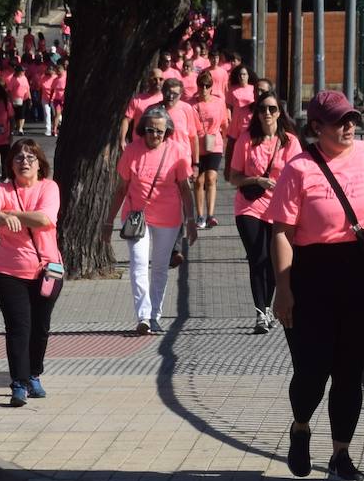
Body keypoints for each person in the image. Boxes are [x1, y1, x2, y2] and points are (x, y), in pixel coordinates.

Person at [267, 91, 364, 481]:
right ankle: (300, 427)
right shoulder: (299, 169)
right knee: (313, 370)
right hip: (314, 275)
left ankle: (341, 455)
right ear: (317, 127)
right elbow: (281, 232)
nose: (348, 127)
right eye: (339, 121)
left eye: (352, 120)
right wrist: (283, 287)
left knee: (348, 371)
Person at [0, 138, 63, 406]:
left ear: (39, 164)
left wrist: (11, 213)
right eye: (18, 158)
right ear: (10, 165)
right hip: (8, 272)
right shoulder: (3, 190)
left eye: (30, 158)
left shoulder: (49, 187)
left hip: (47, 270)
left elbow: (44, 218)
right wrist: (1, 217)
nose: (24, 162)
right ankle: (18, 383)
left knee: (40, 327)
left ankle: (34, 374)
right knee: (18, 327)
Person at [104, 106, 198, 334]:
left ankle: (155, 314)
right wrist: (108, 222)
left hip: (168, 218)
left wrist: (191, 221)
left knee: (159, 268)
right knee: (138, 264)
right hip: (138, 217)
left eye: (159, 131)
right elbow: (120, 189)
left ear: (167, 131)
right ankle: (143, 316)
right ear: (142, 130)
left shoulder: (176, 151)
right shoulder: (132, 151)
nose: (154, 135)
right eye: (149, 130)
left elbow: (185, 190)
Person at [230, 90, 301, 334]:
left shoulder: (290, 142)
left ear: (280, 113)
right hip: (250, 205)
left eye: (272, 109)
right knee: (257, 257)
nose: (267, 113)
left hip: (280, 208)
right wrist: (257, 180)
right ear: (256, 113)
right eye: (262, 109)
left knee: (273, 260)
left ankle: (269, 307)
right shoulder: (246, 140)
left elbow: (300, 175)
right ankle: (260, 311)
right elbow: (233, 177)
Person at [191, 71, 229, 231]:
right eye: (201, 85)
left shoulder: (219, 103)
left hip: (215, 143)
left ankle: (211, 215)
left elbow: (224, 124)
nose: (204, 89)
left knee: (211, 178)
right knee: (199, 181)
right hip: (197, 145)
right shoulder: (191, 104)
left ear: (211, 87)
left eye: (207, 86)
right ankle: (200, 215)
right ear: (198, 86)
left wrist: (226, 143)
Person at [119, 69, 164, 144]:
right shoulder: (137, 99)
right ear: (149, 80)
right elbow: (126, 120)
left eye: (161, 79)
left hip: (159, 145)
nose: (158, 82)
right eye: (154, 79)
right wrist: (122, 140)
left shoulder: (166, 100)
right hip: (138, 144)